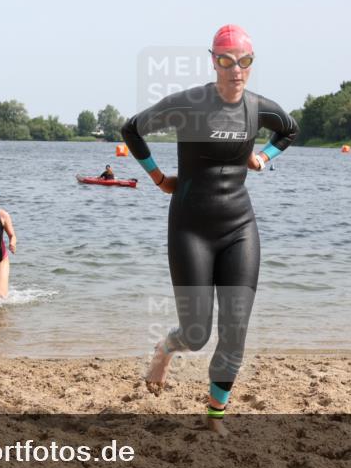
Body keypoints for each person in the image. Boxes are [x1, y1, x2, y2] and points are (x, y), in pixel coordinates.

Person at [121, 24, 298, 434]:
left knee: (235, 327)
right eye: (226, 60)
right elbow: (132, 129)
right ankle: (165, 349)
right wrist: (157, 177)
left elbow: (289, 129)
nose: (236, 70)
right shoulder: (190, 105)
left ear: (252, 64)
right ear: (213, 60)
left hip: (239, 225)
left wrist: (265, 156)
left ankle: (214, 417)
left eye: (245, 62)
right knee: (196, 334)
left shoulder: (257, 108)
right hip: (190, 228)